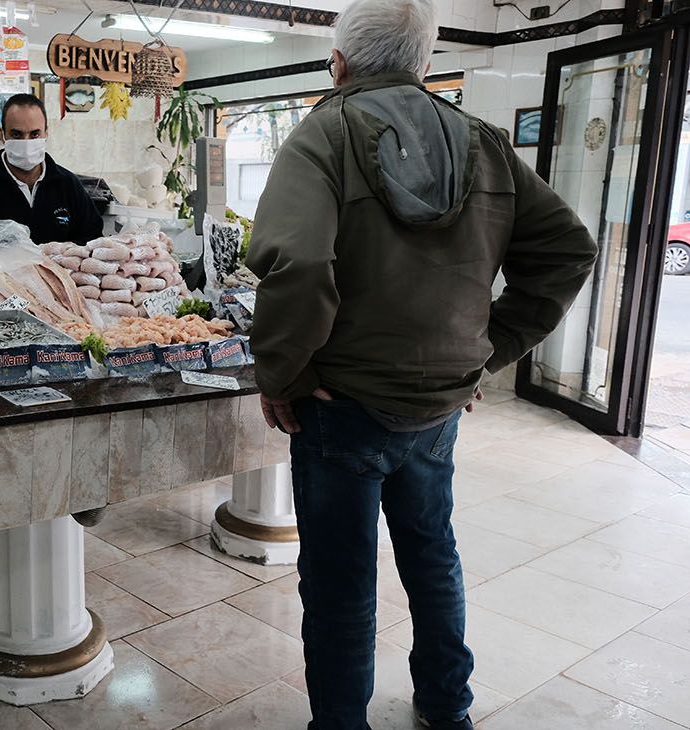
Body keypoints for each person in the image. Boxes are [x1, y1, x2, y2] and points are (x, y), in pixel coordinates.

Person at [244, 1, 598, 728]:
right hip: (438, 411)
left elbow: (301, 265)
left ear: (337, 64)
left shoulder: (322, 138)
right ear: (425, 64)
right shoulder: (485, 144)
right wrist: (484, 351)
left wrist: (280, 375)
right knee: (433, 559)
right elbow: (568, 249)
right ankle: (446, 707)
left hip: (341, 407)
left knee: (342, 584)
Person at [0, 93, 104, 254]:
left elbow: (94, 238)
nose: (26, 142)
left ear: (46, 133)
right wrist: (2, 254)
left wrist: (62, 252)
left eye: (34, 134)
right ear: (2, 135)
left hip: (57, 279)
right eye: (16, 134)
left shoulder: (67, 184)